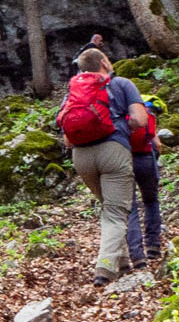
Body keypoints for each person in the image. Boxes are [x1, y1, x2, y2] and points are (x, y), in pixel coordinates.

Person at [58, 48, 150, 284]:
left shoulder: (73, 91)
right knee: (116, 211)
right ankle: (105, 268)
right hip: (113, 151)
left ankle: (122, 261)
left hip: (81, 156)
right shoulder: (121, 84)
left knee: (109, 207)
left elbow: (66, 136)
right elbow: (140, 120)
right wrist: (122, 127)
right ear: (104, 62)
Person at [126, 96, 165, 265]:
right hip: (146, 159)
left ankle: (137, 255)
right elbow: (158, 145)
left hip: (125, 161)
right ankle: (153, 246)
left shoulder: (122, 113)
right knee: (151, 201)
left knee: (131, 207)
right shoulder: (147, 115)